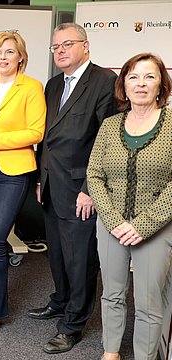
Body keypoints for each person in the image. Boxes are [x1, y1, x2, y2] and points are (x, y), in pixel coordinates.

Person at [29, 22, 117, 354]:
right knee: (57, 254)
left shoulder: (105, 82)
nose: (61, 51)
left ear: (86, 45)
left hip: (82, 188)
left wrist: (90, 188)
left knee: (81, 260)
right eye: (56, 47)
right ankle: (61, 300)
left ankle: (73, 325)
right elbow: (47, 139)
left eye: (68, 44)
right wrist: (40, 177)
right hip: (52, 184)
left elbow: (107, 140)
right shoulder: (53, 85)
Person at [87, 53, 172, 360]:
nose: (141, 84)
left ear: (161, 83)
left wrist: (142, 225)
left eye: (149, 76)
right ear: (123, 83)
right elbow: (94, 174)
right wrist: (112, 220)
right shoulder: (110, 125)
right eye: (133, 77)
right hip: (111, 224)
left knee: (149, 302)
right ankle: (110, 352)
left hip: (157, 226)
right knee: (111, 294)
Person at [0, 31, 46, 338]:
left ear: (20, 57)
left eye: (9, 52)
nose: (2, 57)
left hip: (13, 171)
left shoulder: (31, 86)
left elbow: (36, 132)